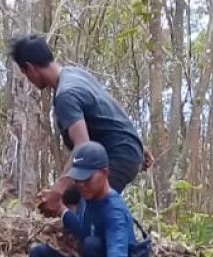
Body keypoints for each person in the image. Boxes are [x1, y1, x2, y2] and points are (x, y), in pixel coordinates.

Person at [8, 33, 147, 213]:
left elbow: (83, 146)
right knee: (71, 198)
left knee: (86, 214)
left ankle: (105, 237)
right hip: (126, 148)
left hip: (118, 156)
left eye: (26, 74)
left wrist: (58, 190)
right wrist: (138, 146)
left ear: (29, 68)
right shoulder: (76, 74)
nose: (30, 81)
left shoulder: (66, 95)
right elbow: (108, 108)